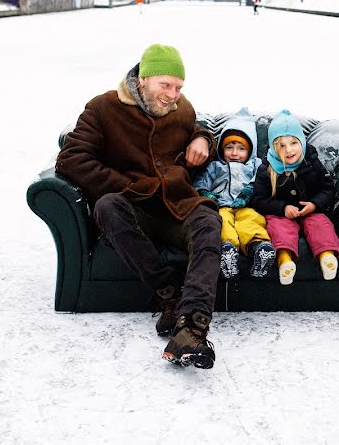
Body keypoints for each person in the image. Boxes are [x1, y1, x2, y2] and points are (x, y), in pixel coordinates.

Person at [55, 44, 223, 370]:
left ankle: (191, 327)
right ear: (143, 79)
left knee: (208, 220)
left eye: (178, 87)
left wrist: (202, 138)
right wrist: (128, 187)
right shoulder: (103, 107)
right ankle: (168, 292)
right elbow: (71, 160)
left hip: (176, 204)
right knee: (107, 207)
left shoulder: (181, 108)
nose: (172, 95)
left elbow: (197, 127)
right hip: (133, 207)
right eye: (165, 85)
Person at [250, 110, 339, 285]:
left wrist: (315, 204)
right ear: (273, 147)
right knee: (278, 228)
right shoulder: (266, 168)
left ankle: (327, 257)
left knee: (320, 225)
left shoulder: (311, 161)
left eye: (293, 143)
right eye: (281, 146)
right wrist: (282, 208)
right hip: (281, 214)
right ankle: (285, 261)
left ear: (302, 142)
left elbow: (327, 188)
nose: (289, 150)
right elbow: (257, 199)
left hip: (310, 211)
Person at [192, 108, 276, 279]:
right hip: (221, 206)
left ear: (250, 150)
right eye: (229, 147)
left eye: (241, 148)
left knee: (251, 222)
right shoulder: (215, 166)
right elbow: (200, 181)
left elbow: (261, 180)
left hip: (247, 206)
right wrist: (206, 193)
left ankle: (259, 248)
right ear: (222, 149)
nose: (235, 153)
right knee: (223, 224)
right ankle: (228, 251)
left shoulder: (255, 164)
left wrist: (247, 193)